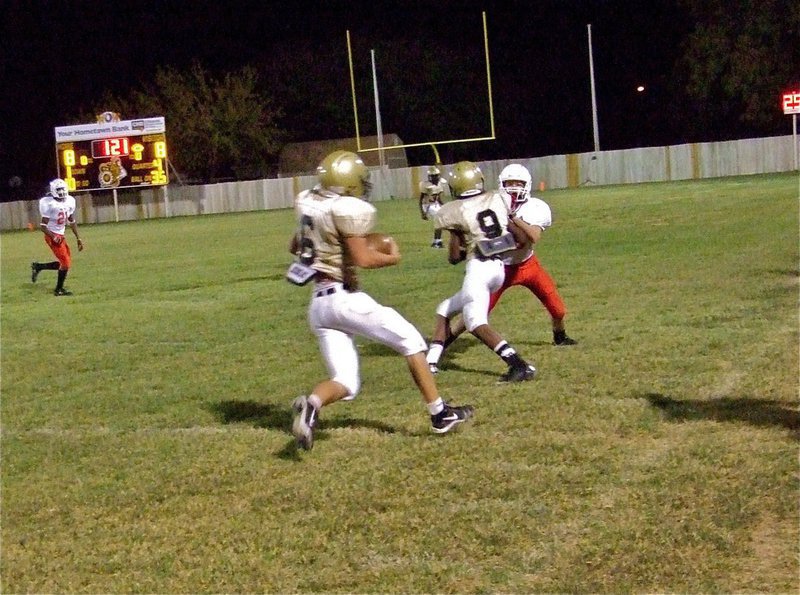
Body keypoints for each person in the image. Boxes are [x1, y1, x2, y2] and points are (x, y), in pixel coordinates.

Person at [287, 150, 474, 450]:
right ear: (350, 182)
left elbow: (296, 246)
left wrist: (331, 247)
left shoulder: (311, 203)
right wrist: (391, 256)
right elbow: (362, 258)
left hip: (318, 306)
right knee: (412, 342)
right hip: (344, 300)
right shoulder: (346, 207)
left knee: (346, 382)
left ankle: (311, 405)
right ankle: (440, 415)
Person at [432, 164, 577, 359]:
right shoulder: (492, 203)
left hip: (527, 264)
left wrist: (511, 216)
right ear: (501, 184)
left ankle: (559, 335)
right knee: (473, 314)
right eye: (510, 183)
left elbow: (533, 236)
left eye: (519, 183)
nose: (514, 187)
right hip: (501, 267)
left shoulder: (535, 206)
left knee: (557, 309)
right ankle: (443, 343)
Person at [424, 161, 537, 383]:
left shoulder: (454, 210)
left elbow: (455, 258)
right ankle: (431, 362)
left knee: (474, 322)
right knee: (445, 309)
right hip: (499, 268)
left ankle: (518, 365)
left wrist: (461, 238)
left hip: (478, 268)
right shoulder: (498, 198)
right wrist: (496, 243)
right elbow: (522, 239)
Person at [31, 178, 85, 296]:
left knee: (65, 262)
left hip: (60, 235)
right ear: (53, 191)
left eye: (62, 189)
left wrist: (78, 238)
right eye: (58, 189)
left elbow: (72, 220)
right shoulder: (49, 204)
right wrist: (53, 236)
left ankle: (38, 266)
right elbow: (43, 226)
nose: (61, 192)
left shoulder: (69, 201)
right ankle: (58, 289)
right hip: (51, 235)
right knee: (65, 264)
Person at [418, 165, 448, 248]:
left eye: (436, 175)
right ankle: (437, 242)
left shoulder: (440, 183)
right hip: (427, 205)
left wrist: (445, 207)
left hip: (435, 204)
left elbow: (438, 198)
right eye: (433, 176)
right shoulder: (425, 185)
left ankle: (437, 241)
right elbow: (420, 200)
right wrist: (423, 213)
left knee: (441, 221)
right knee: (439, 220)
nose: (435, 177)